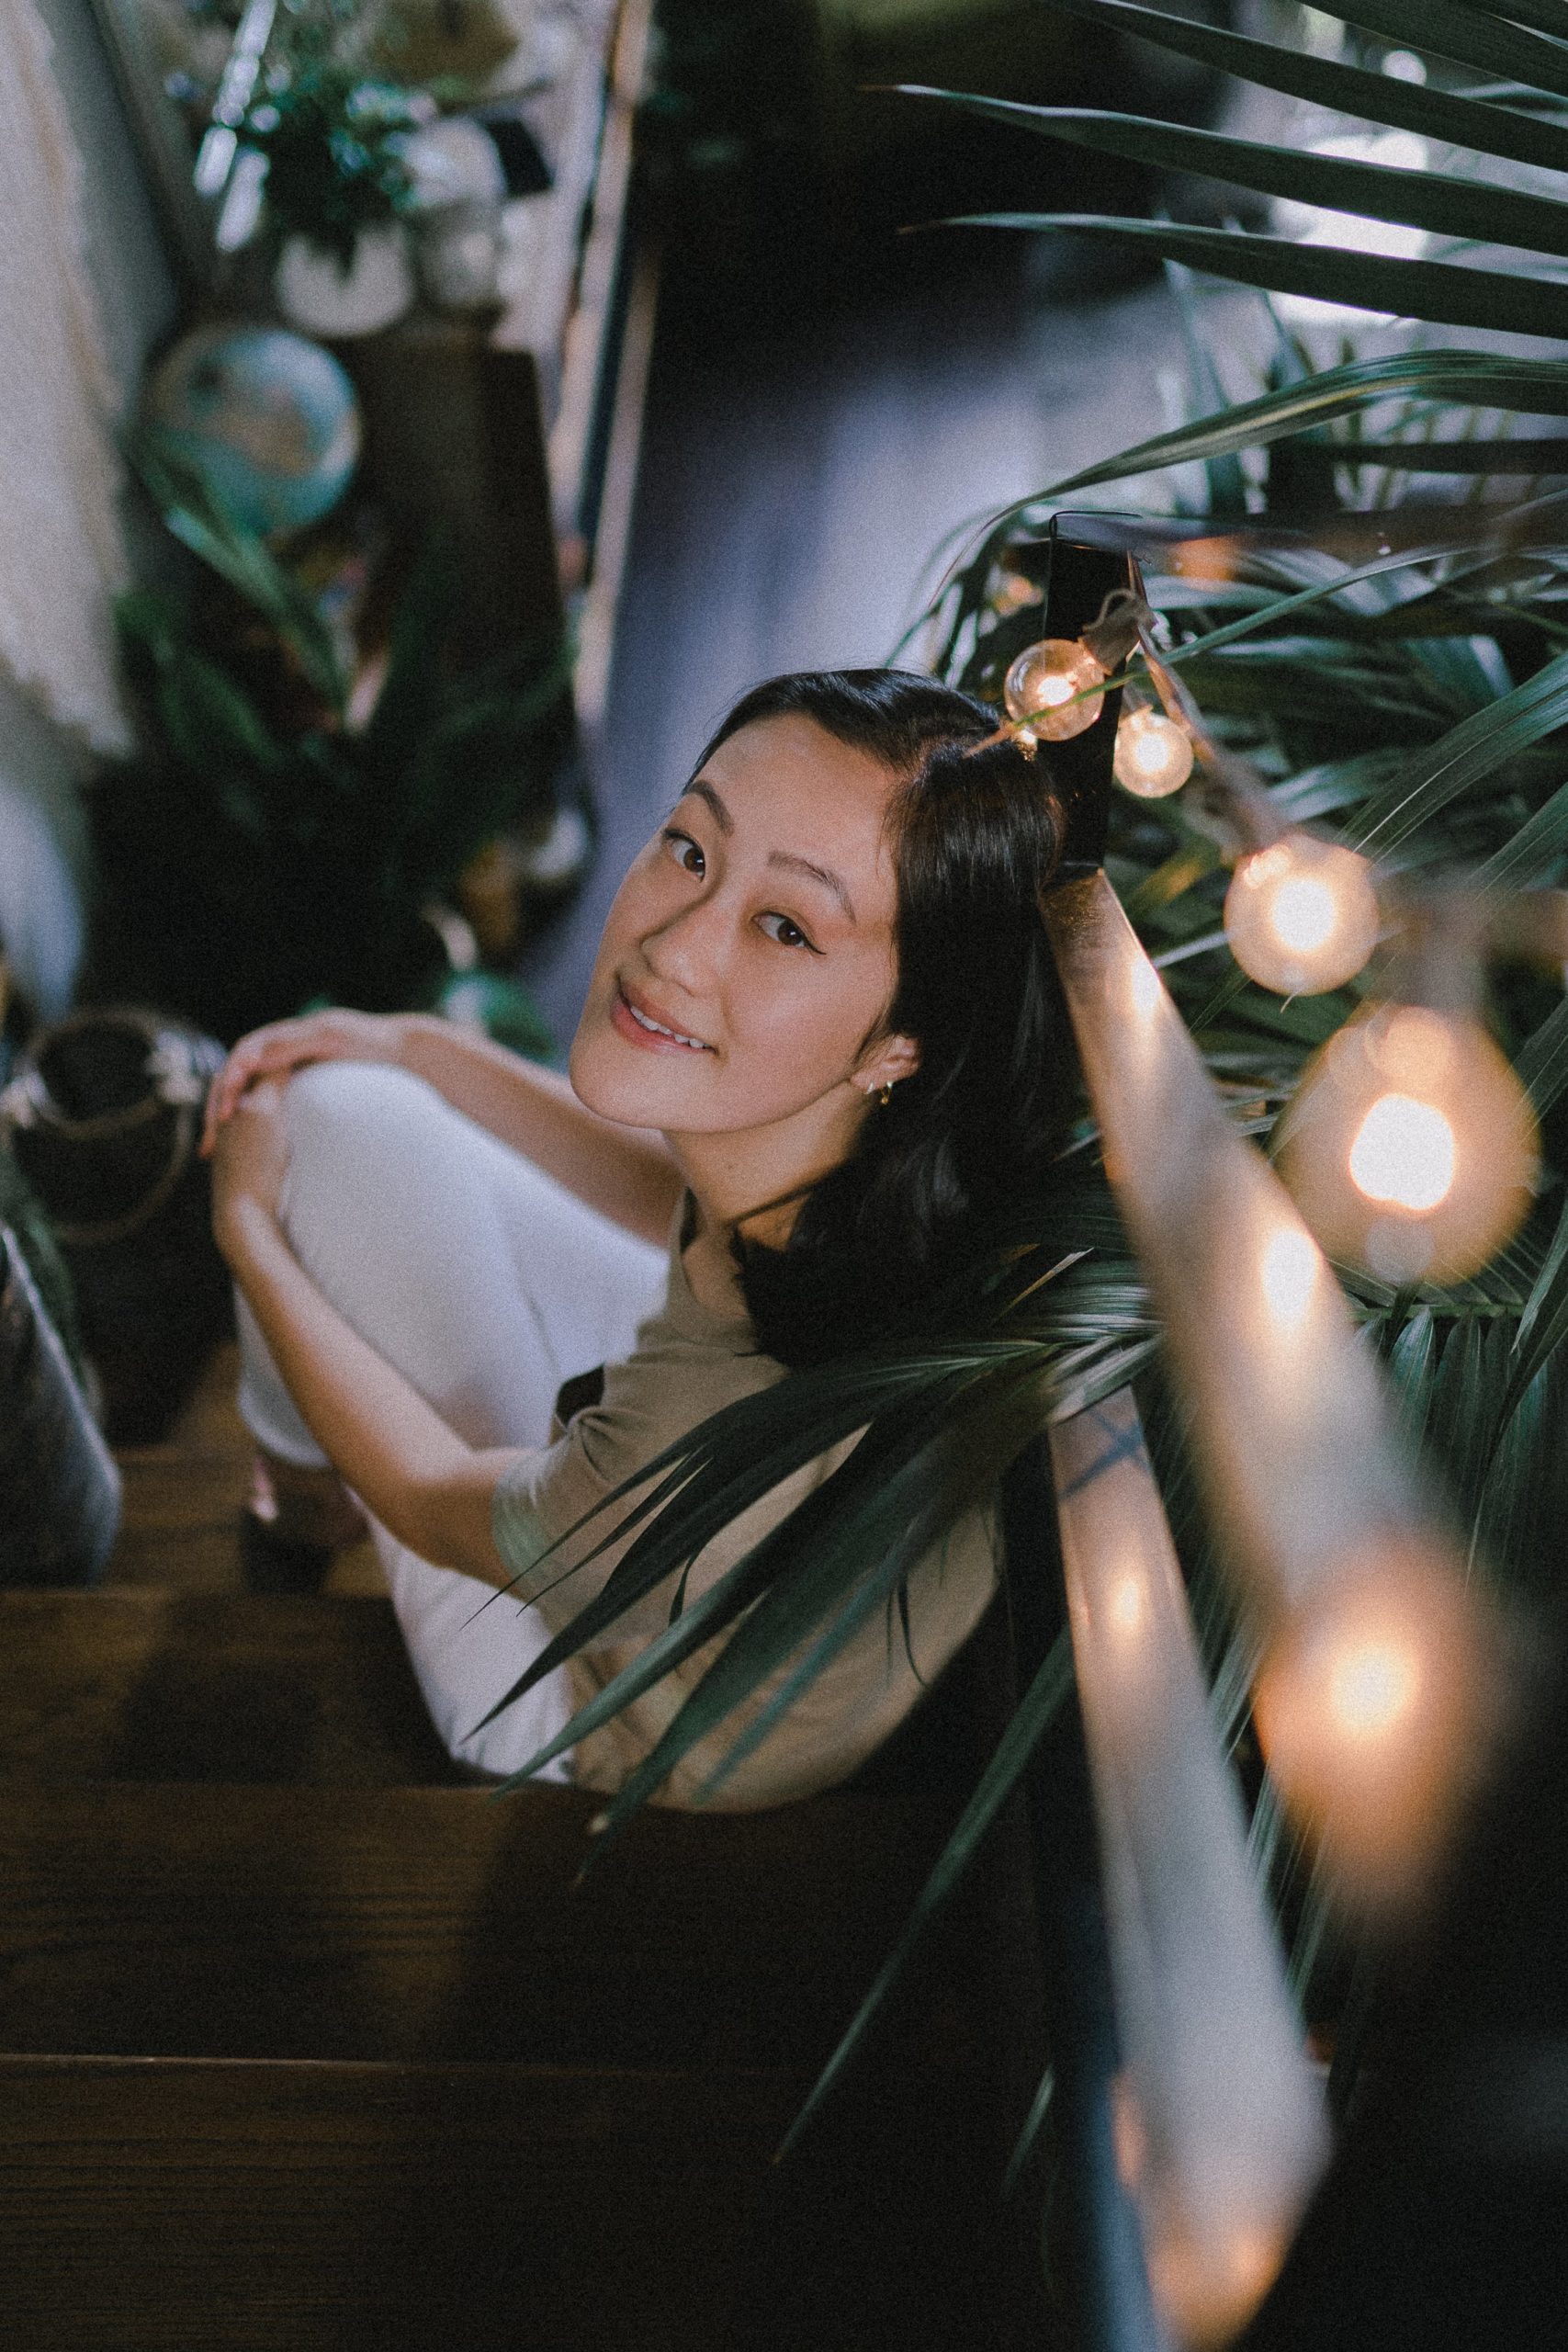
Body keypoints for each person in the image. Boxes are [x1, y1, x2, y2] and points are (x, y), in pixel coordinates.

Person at [201, 669, 1073, 1806]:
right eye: (691, 849)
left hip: (587, 1705)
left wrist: (245, 1226)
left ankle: (301, 1493)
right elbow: (654, 1183)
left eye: (785, 927)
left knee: (324, 1130)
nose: (675, 943)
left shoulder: (713, 1430)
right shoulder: (880, 1170)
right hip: (696, 1558)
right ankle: (298, 1477)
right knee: (359, 1098)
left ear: (902, 1040)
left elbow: (425, 1495)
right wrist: (417, 1043)